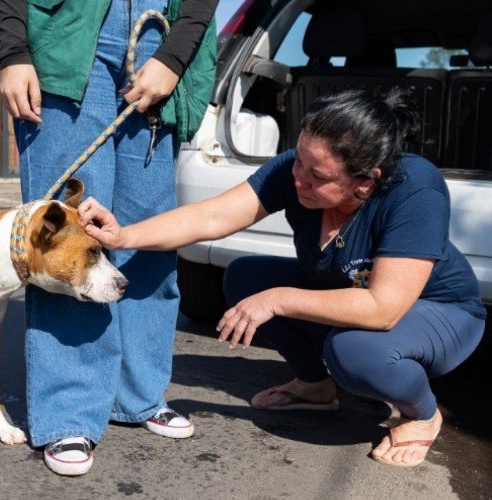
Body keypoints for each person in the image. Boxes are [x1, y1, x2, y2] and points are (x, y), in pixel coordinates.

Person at [79, 89, 487, 468]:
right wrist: (125, 234)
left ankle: (424, 413)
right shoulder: (300, 170)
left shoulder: (415, 189)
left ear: (367, 181)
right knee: (246, 277)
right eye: (299, 162)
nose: (298, 179)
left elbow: (383, 308)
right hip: (353, 292)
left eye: (318, 176)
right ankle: (315, 387)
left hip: (440, 311)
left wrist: (277, 300)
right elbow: (214, 216)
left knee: (356, 350)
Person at [0, 0, 218, 475]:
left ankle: (139, 393)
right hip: (68, 36)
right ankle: (69, 410)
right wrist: (14, 50)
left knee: (147, 237)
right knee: (69, 241)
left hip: (159, 31)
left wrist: (175, 55)